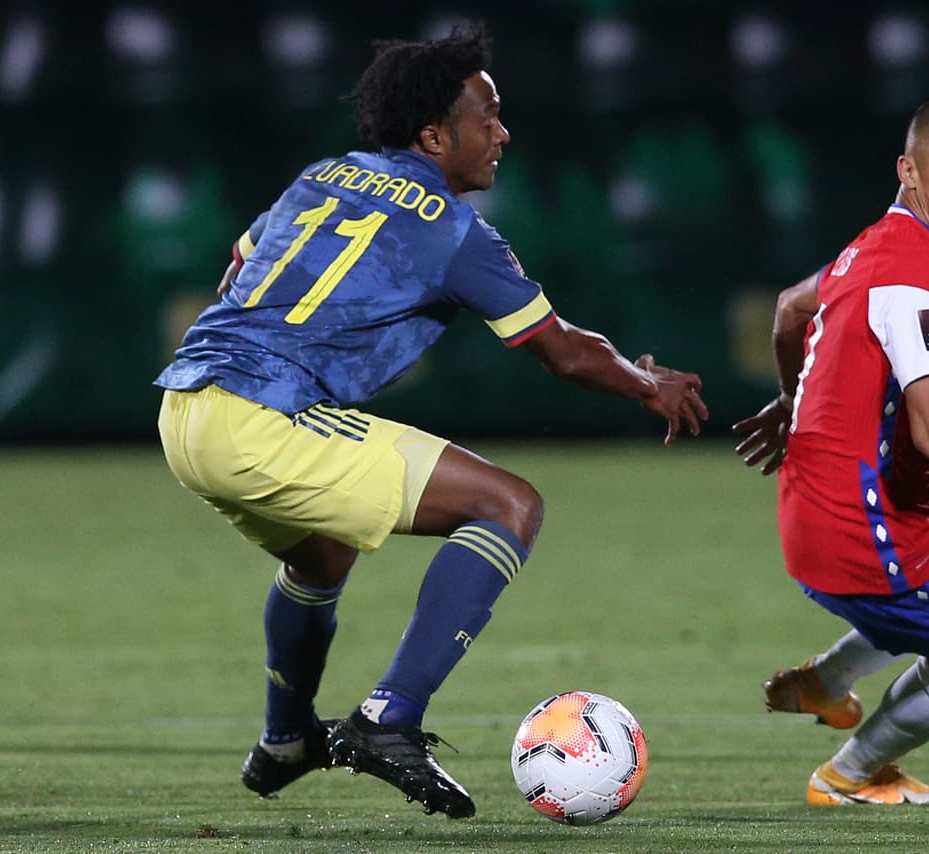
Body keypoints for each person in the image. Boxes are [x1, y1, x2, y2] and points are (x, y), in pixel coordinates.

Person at [154, 23, 708, 820]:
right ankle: (390, 719)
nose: (502, 133)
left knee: (322, 557)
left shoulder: (324, 176)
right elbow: (560, 350)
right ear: (433, 134)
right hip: (262, 418)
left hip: (186, 407)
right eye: (488, 117)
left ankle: (285, 740)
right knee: (509, 504)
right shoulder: (454, 231)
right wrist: (643, 385)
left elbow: (240, 267)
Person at [732, 97, 929, 807]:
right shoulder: (916, 277)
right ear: (910, 170)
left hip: (874, 490)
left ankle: (825, 680)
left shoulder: (878, 244)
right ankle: (849, 775)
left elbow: (789, 308)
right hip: (858, 526)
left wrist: (792, 404)